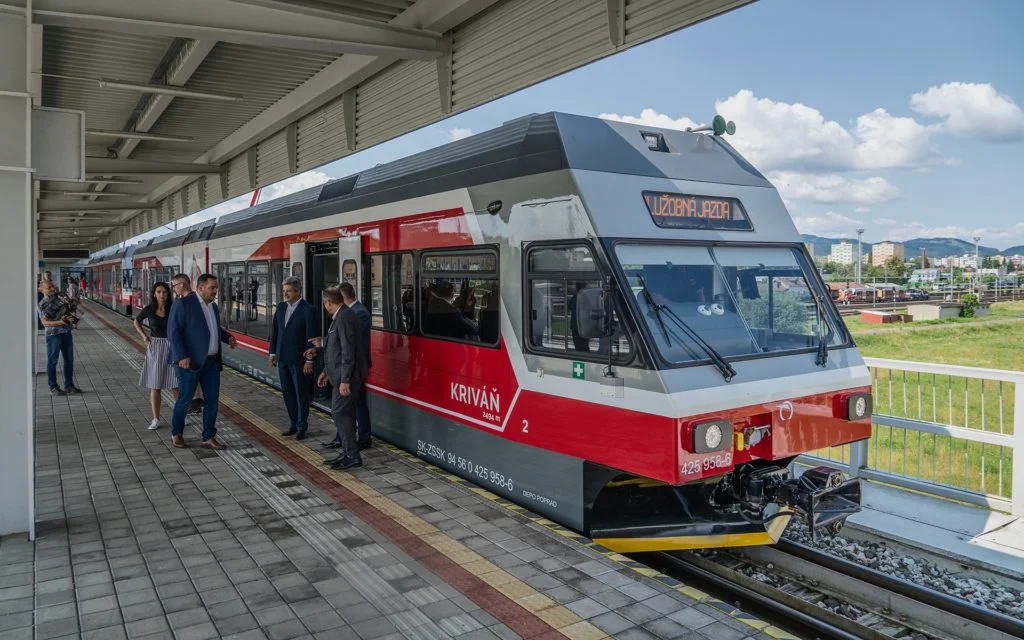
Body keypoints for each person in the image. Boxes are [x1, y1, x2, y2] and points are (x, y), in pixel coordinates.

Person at [167, 273, 237, 449]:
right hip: (189, 363)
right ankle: (176, 433)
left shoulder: (212, 307)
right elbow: (173, 332)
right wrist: (181, 356)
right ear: (200, 288)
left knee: (212, 400)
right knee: (185, 399)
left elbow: (213, 329)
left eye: (216, 288)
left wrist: (227, 337)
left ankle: (208, 437)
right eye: (212, 288)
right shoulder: (183, 304)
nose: (215, 291)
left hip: (211, 363)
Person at [317, 287, 369, 470]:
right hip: (339, 374)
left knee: (338, 412)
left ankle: (352, 456)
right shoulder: (341, 316)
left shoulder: (345, 317)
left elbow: (348, 352)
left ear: (328, 302)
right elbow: (335, 348)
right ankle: (348, 452)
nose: (325, 307)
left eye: (325, 303)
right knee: (347, 413)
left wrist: (345, 380)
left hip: (347, 377)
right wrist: (325, 371)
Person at [268, 276, 317, 440]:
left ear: (298, 291)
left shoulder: (308, 309)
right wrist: (272, 353)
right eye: (284, 291)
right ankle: (293, 423)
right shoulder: (281, 307)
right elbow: (275, 332)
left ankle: (302, 427)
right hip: (282, 358)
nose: (285, 294)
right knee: (287, 393)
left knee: (301, 394)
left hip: (299, 360)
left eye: (288, 291)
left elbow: (311, 337)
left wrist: (309, 360)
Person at [133, 282, 178, 430]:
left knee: (175, 385)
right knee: (155, 385)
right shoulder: (149, 309)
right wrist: (144, 337)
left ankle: (180, 416)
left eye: (164, 292)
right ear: (154, 294)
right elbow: (136, 321)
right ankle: (155, 419)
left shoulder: (173, 308)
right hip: (156, 347)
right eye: (159, 292)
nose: (162, 294)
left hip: (172, 346)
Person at [342, 283, 373, 450]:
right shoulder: (353, 311)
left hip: (356, 366)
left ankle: (364, 437)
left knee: (359, 403)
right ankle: (344, 436)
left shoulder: (359, 313)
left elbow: (352, 340)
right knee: (350, 404)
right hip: (351, 365)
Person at [38, 280, 82, 395]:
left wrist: (73, 318)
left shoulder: (60, 297)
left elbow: (69, 309)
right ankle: (53, 387)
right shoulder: (42, 304)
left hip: (67, 333)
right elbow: (45, 323)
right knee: (52, 362)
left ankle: (69, 385)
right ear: (41, 290)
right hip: (53, 336)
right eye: (49, 287)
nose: (52, 288)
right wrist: (60, 322)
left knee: (69, 360)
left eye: (52, 286)